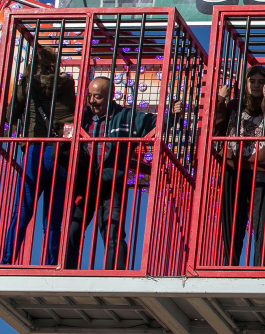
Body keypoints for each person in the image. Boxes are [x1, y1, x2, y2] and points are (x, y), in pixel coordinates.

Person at [67, 76, 182, 270]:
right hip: (85, 182)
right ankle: (66, 271)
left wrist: (173, 114)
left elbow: (155, 124)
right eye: (90, 96)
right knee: (72, 230)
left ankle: (115, 274)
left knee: (113, 232)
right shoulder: (82, 116)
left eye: (98, 97)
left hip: (112, 183)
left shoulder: (126, 116)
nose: (92, 101)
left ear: (110, 96)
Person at [3, 46, 76, 266]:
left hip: (34, 150)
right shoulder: (67, 84)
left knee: (22, 212)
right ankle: (51, 265)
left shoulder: (27, 84)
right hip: (60, 152)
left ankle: (7, 262)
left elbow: (9, 115)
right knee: (54, 220)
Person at [212, 65, 265, 267]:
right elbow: (216, 129)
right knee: (232, 220)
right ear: (245, 84)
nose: (257, 85)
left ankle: (264, 266)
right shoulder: (234, 105)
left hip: (259, 169)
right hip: (233, 167)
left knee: (264, 220)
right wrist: (220, 100)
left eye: (261, 82)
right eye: (253, 82)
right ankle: (228, 265)